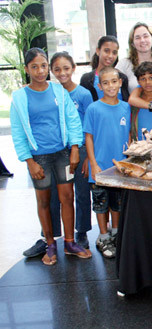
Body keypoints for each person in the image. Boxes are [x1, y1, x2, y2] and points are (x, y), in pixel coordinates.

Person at [10, 48, 92, 265]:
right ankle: (50, 245)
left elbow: (73, 120)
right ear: (27, 69)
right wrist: (29, 162)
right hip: (39, 158)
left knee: (68, 198)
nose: (39, 71)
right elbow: (18, 132)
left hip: (62, 154)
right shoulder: (19, 97)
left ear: (48, 67)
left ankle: (70, 242)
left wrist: (74, 148)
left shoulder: (59, 92)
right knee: (44, 202)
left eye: (43, 66)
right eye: (34, 66)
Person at [83, 67, 131, 258]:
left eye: (114, 81)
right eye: (105, 83)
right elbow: (88, 137)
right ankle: (103, 237)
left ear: (120, 82)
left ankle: (116, 234)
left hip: (119, 167)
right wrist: (93, 164)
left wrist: (128, 159)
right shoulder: (93, 108)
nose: (110, 86)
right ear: (99, 85)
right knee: (101, 203)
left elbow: (127, 134)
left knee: (117, 203)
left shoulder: (126, 107)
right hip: (100, 167)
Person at [50, 51, 93, 249]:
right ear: (52, 71)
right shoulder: (51, 93)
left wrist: (87, 157)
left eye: (66, 68)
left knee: (82, 192)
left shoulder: (83, 94)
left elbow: (91, 125)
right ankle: (51, 235)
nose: (62, 73)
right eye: (57, 69)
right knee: (56, 194)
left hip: (82, 149)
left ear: (74, 68)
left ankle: (82, 231)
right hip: (58, 151)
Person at [80, 35, 130, 102]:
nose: (110, 56)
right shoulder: (87, 79)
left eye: (114, 53)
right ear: (98, 51)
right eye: (106, 51)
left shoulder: (122, 78)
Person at [116, 22, 152, 93]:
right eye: (137, 38)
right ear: (132, 44)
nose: (142, 40)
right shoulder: (124, 64)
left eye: (145, 36)